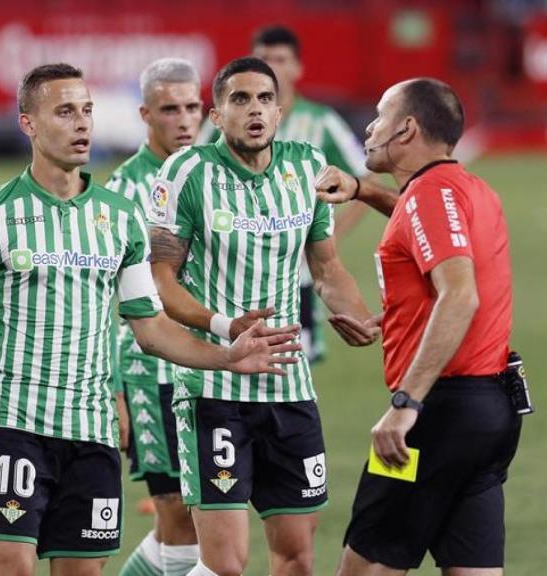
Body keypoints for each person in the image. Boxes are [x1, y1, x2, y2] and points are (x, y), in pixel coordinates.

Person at [0, 62, 301, 576]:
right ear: (28, 123)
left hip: (92, 431)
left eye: (86, 111)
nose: (82, 124)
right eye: (64, 112)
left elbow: (150, 327)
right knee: (11, 567)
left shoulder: (120, 216)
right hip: (15, 424)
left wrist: (225, 358)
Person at [149, 57, 376, 576]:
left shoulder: (306, 167)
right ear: (217, 115)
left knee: (296, 557)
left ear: (279, 112)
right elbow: (163, 279)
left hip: (289, 388)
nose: (254, 110)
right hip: (215, 388)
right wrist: (225, 327)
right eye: (240, 99)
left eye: (265, 99)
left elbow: (326, 265)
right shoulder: (187, 173)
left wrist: (358, 315)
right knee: (226, 566)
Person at [315, 78, 521, 576]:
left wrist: (405, 405)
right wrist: (363, 190)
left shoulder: (430, 197)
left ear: (407, 128)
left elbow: (461, 295)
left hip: (433, 418)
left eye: (380, 115)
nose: (368, 126)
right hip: (492, 414)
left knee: (364, 569)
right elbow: (418, 216)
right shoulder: (470, 189)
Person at [108, 58, 280, 576]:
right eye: (169, 109)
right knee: (181, 519)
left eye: (190, 107)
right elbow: (105, 299)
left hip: (210, 369)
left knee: (188, 522)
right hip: (150, 373)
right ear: (145, 114)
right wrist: (114, 389)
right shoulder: (123, 192)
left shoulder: (212, 173)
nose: (184, 121)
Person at [199, 25, 376, 363]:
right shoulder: (224, 120)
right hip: (234, 271)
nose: (273, 67)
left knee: (296, 363)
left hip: (300, 274)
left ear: (296, 68)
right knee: (236, 359)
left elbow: (362, 178)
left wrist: (329, 234)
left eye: (280, 59)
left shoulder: (320, 121)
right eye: (264, 59)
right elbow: (195, 166)